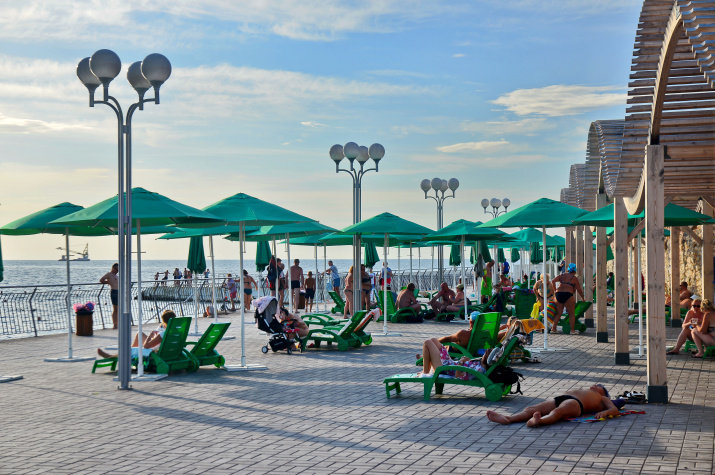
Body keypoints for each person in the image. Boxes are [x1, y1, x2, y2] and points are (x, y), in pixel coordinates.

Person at [486, 384, 618, 427]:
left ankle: (538, 421)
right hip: (561, 398)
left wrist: (605, 412)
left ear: (603, 392)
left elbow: (615, 409)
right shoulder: (587, 390)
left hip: (576, 403)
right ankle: (508, 418)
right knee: (531, 409)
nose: (595, 385)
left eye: (599, 386)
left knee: (557, 412)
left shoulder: (603, 398)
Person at [97, 309, 177, 359]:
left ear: (164, 322)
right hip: (166, 350)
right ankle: (129, 354)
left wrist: (150, 336)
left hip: (155, 352)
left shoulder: (163, 334)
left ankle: (112, 356)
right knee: (139, 334)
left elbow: (146, 346)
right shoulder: (176, 332)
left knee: (131, 350)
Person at [418, 337, 494, 379]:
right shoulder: (480, 362)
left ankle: (425, 373)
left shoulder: (479, 369)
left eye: (486, 353)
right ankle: (426, 369)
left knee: (427, 342)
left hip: (444, 369)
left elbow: (458, 376)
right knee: (433, 340)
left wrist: (461, 362)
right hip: (449, 363)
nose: (485, 351)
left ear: (488, 359)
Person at [551, 263, 585, 334]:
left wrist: (555, 290)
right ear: (575, 271)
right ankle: (572, 330)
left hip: (558, 294)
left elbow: (553, 281)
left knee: (559, 313)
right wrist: (583, 298)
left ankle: (553, 329)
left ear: (568, 270)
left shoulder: (562, 275)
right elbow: (579, 289)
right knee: (571, 314)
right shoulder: (574, 278)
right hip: (568, 294)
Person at [99, 263, 119, 329]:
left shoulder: (116, 275)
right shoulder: (109, 274)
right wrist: (108, 282)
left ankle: (118, 323)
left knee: (119, 309)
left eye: (118, 270)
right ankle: (115, 324)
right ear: (113, 268)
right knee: (115, 309)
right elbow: (101, 280)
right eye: (117, 269)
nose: (117, 271)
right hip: (114, 291)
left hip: (119, 291)